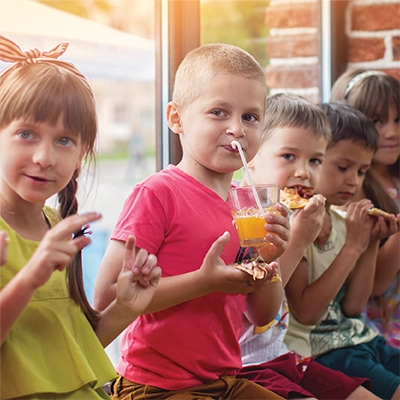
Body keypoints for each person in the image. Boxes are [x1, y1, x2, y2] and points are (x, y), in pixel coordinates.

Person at [93, 43, 290, 399]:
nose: (236, 129)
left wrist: (268, 258)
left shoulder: (249, 205)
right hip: (155, 386)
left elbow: (263, 314)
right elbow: (106, 296)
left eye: (250, 117)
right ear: (176, 118)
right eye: (218, 112)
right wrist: (204, 281)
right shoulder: (158, 194)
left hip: (224, 382)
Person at [0, 35, 161, 399]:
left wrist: (124, 308)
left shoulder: (59, 227)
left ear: (82, 152)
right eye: (26, 134)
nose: (45, 157)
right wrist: (30, 277)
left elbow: (72, 345)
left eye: (64, 141)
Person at [236, 93, 377, 399]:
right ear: (252, 155)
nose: (304, 172)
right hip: (244, 364)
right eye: (289, 156)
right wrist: (299, 241)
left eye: (315, 160)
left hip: (282, 355)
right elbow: (252, 311)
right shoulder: (243, 217)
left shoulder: (291, 213)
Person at [284, 101, 400, 400]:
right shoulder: (297, 224)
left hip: (361, 340)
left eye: (362, 171)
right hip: (320, 352)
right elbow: (307, 312)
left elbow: (353, 307)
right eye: (343, 167)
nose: (354, 180)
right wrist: (353, 246)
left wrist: (370, 241)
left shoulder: (339, 220)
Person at [330, 69, 400, 348]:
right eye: (376, 121)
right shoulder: (353, 189)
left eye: (398, 119)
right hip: (378, 324)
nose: (391, 132)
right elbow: (376, 286)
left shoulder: (393, 177)